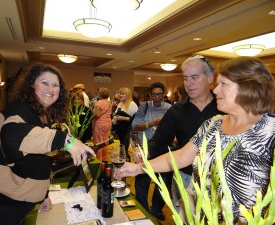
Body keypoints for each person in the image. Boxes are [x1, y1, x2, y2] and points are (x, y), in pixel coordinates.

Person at [116, 56, 275, 224]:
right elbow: (181, 156)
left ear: (247, 87)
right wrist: (138, 168)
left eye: (224, 84)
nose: (216, 90)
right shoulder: (213, 124)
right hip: (199, 216)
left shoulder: (270, 129)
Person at [0, 64, 95, 225]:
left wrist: (42, 196)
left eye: (55, 85)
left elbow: (35, 159)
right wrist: (66, 140)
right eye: (44, 83)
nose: (50, 89)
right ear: (31, 85)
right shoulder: (19, 109)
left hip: (17, 205)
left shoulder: (42, 115)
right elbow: (12, 136)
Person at [138, 55, 221, 220]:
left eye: (194, 77)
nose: (188, 83)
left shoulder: (224, 106)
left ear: (210, 78)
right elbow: (160, 140)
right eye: (185, 78)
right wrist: (145, 154)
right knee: (186, 219)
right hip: (185, 177)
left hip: (218, 176)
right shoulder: (176, 110)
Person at [131, 82, 171, 213]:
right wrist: (153, 123)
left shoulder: (169, 108)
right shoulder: (145, 106)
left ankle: (156, 210)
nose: (157, 97)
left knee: (162, 181)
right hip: (145, 148)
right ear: (150, 95)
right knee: (143, 178)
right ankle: (142, 208)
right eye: (154, 94)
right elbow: (135, 126)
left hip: (163, 149)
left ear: (164, 95)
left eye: (159, 94)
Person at [113, 87, 138, 161]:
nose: (120, 95)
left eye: (123, 94)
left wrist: (123, 118)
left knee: (125, 146)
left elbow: (135, 119)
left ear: (128, 95)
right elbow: (116, 115)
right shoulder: (120, 104)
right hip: (120, 128)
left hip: (127, 129)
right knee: (121, 146)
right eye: (120, 93)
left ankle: (127, 162)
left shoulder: (132, 104)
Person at [92, 87, 112, 162]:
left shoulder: (99, 103)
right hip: (108, 123)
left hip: (100, 124)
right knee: (105, 141)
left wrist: (92, 112)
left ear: (99, 94)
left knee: (99, 142)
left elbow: (97, 114)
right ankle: (105, 158)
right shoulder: (109, 103)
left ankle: (99, 159)